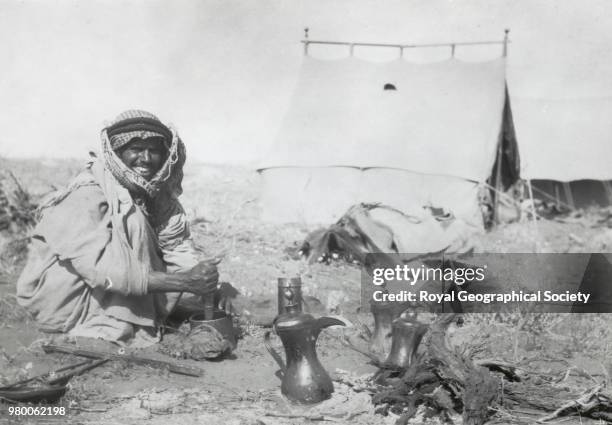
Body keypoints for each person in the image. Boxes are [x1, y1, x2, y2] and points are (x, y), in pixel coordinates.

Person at [17, 110, 226, 345]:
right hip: (62, 305)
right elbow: (101, 271)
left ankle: (137, 314)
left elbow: (176, 247)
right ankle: (112, 323)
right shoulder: (87, 195)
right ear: (116, 153)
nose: (146, 158)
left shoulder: (156, 196)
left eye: (154, 150)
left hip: (115, 290)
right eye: (135, 148)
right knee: (134, 222)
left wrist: (204, 284)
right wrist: (184, 283)